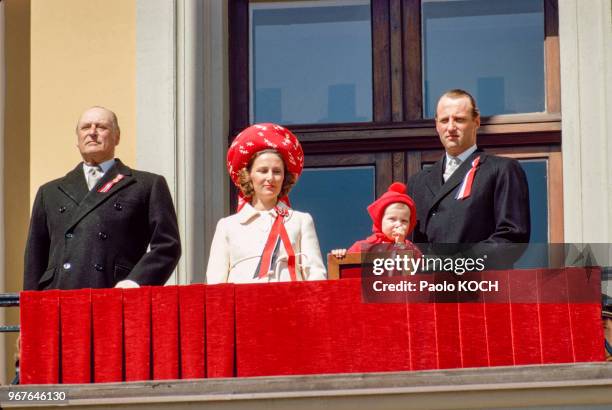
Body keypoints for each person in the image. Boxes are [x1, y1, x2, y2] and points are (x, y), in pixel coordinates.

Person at [23, 106, 181, 290]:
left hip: (116, 295)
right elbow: (35, 257)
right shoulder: (49, 192)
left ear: (117, 136)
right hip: (60, 298)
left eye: (101, 127)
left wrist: (136, 282)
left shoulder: (147, 184)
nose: (92, 132)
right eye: (85, 127)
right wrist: (33, 310)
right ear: (78, 140)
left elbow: (167, 246)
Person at [408, 89, 530, 249]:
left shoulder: (503, 170)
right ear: (436, 125)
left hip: (478, 273)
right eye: (444, 120)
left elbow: (512, 237)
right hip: (429, 274)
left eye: (459, 120)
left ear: (477, 121)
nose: (451, 127)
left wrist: (460, 265)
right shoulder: (417, 182)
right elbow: (409, 244)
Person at [206, 123, 326, 284]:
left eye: (277, 171)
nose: (270, 178)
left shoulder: (301, 221)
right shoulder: (227, 226)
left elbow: (316, 277)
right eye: (263, 171)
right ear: (248, 176)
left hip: (292, 306)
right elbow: (215, 284)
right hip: (244, 308)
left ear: (285, 177)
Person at [331, 182, 421, 259]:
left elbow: (419, 268)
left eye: (404, 221)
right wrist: (340, 254)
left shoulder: (411, 248)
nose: (398, 224)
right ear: (380, 221)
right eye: (392, 219)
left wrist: (400, 244)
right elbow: (346, 267)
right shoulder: (364, 246)